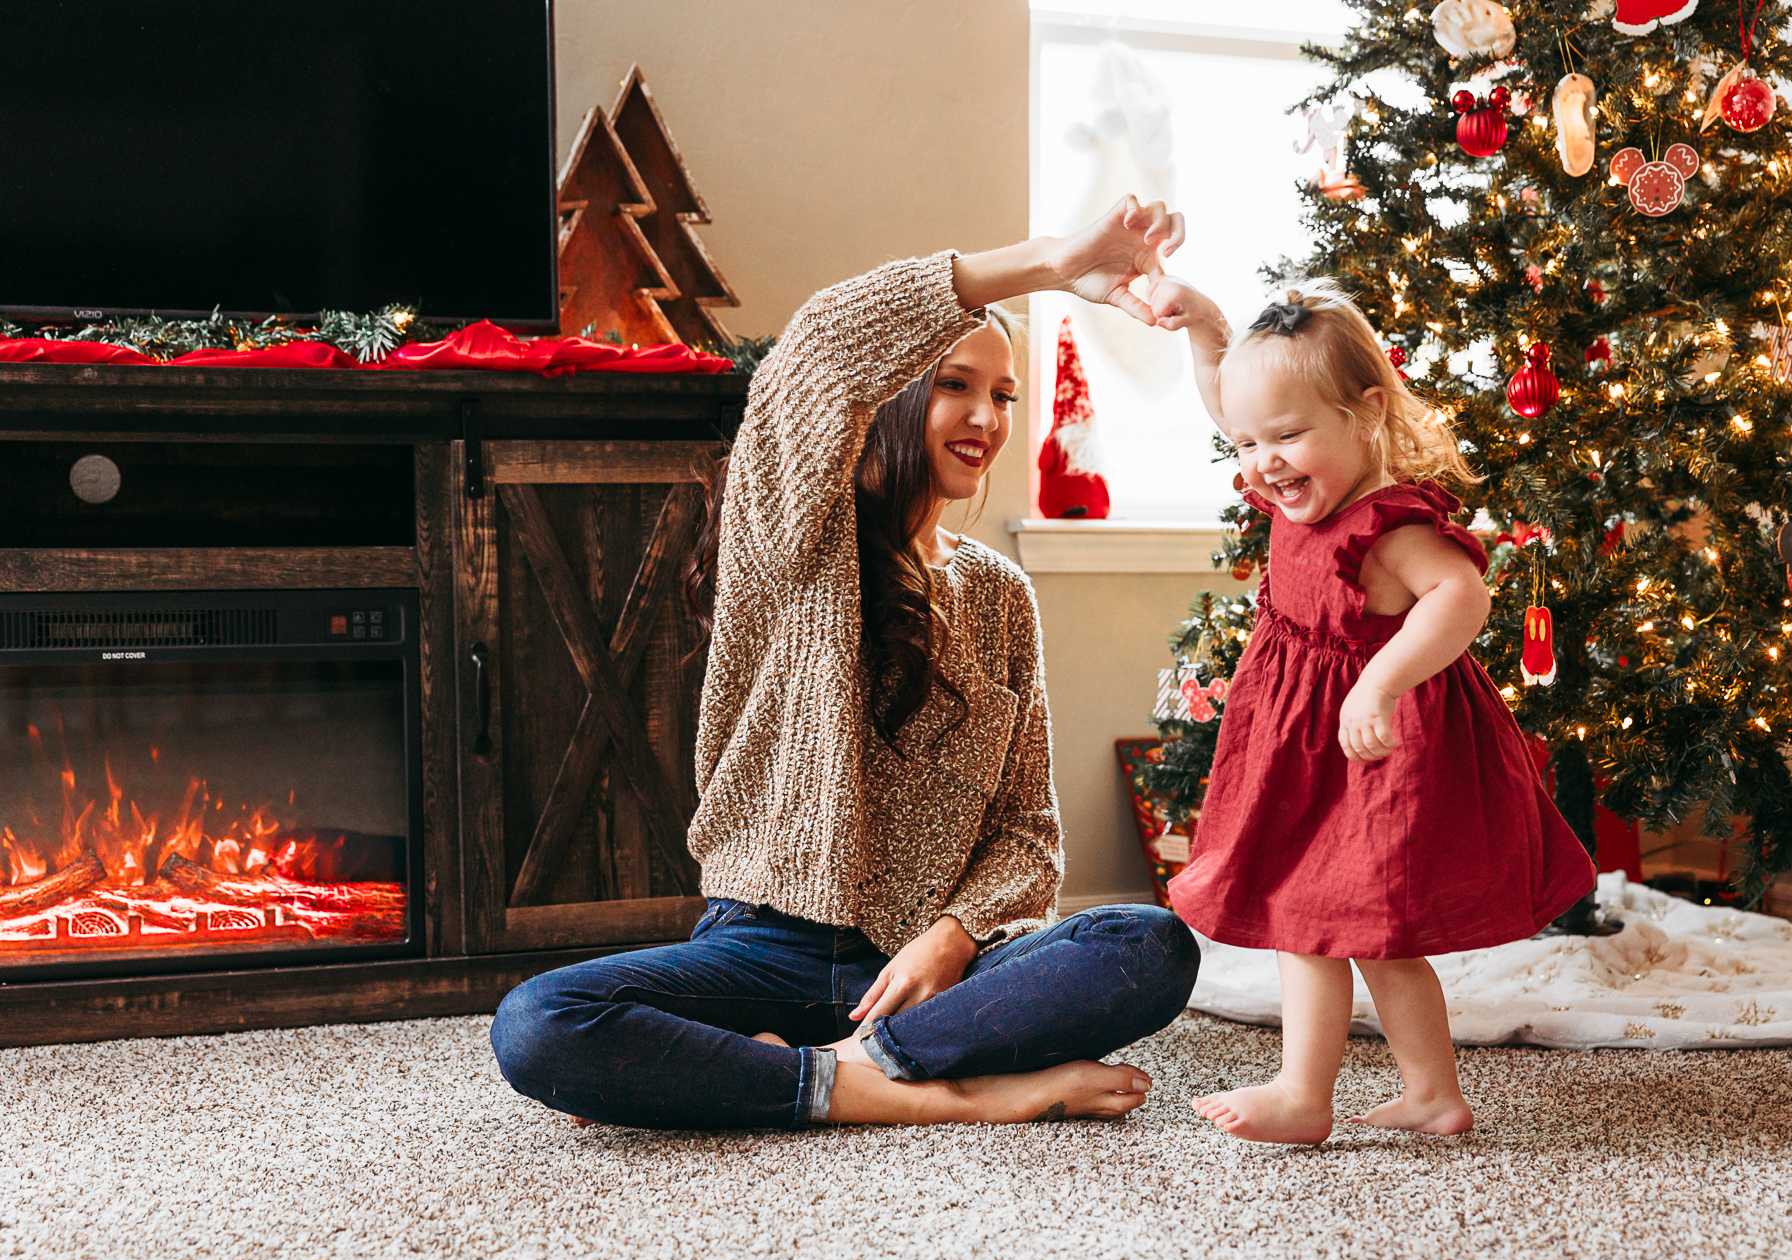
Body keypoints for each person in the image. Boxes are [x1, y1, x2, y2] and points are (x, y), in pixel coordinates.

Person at [492, 198, 1202, 1131]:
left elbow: (1030, 831)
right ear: (892, 394)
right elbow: (821, 347)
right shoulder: (795, 540)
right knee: (541, 1023)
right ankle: (926, 1093)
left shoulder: (998, 595)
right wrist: (1043, 262)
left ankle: (824, 1070)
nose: (986, 417)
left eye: (1003, 397)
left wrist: (952, 940)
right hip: (762, 948)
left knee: (1148, 945)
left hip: (931, 973)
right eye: (956, 385)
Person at [1149, 277, 1596, 1144]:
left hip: (1371, 748)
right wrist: (1206, 328)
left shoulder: (1387, 524)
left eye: (1287, 436)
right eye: (1249, 443)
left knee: (1314, 918)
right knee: (1354, 928)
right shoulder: (1290, 482)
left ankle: (1302, 1095)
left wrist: (1378, 682)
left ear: (1364, 413)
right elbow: (1230, 402)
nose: (1262, 461)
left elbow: (1460, 598)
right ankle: (1432, 1095)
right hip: (1302, 739)